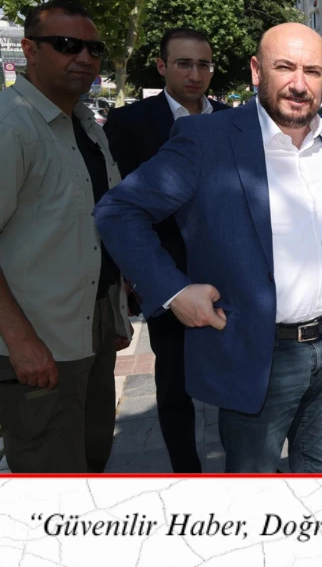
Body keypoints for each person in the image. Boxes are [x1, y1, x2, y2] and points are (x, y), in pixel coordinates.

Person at [94, 23, 322, 473]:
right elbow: (117, 211)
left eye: (312, 71)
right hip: (259, 354)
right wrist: (174, 291)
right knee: (252, 486)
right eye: (285, 67)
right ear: (257, 71)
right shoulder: (207, 139)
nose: (299, 84)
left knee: (319, 474)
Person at [0, 1, 133, 473]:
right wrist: (21, 341)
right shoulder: (12, 126)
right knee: (51, 476)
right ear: (30, 50)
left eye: (94, 49)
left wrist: (114, 309)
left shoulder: (84, 125)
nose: (84, 57)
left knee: (91, 460)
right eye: (67, 45)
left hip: (89, 327)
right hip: (38, 341)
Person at [103, 27, 231, 473]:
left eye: (203, 64)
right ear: (162, 66)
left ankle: (246, 466)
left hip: (228, 277)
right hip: (167, 278)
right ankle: (186, 472)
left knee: (239, 382)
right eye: (184, 63)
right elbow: (116, 208)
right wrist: (136, 278)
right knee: (174, 384)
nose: (195, 74)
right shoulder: (130, 123)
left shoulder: (231, 120)